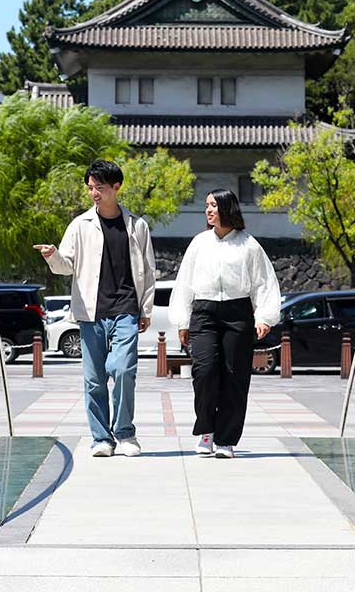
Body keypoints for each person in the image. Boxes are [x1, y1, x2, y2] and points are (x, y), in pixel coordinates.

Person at [35, 160, 155, 457]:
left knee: (124, 368)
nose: (94, 193)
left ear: (116, 187)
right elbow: (66, 267)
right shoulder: (80, 225)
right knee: (94, 378)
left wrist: (147, 309)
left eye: (99, 188)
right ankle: (102, 438)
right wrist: (53, 256)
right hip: (91, 312)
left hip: (127, 307)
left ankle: (125, 433)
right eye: (90, 188)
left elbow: (149, 271)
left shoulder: (137, 226)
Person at [168, 189, 281, 459]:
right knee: (204, 372)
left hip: (237, 313)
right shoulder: (199, 243)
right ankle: (206, 430)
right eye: (206, 205)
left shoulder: (249, 244)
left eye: (213, 205)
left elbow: (264, 282)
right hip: (204, 312)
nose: (208, 210)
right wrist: (183, 321)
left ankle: (226, 440)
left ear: (227, 208)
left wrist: (264, 317)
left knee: (234, 376)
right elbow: (184, 282)